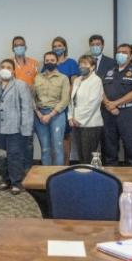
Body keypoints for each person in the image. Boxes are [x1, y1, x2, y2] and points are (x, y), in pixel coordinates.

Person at [0, 59, 33, 195]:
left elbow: (26, 108)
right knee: (2, 154)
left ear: (13, 71)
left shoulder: (20, 85)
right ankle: (6, 179)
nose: (5, 69)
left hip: (15, 127)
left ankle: (17, 182)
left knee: (14, 154)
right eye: (3, 67)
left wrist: (26, 127)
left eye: (8, 67)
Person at [101, 44, 132, 165]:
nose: (121, 54)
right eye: (119, 52)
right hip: (108, 112)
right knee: (109, 145)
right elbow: (101, 89)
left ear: (130, 56)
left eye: (124, 52)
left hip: (127, 113)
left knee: (130, 144)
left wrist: (115, 104)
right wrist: (108, 104)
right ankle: (111, 176)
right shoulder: (109, 71)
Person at [34, 52, 70, 165]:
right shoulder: (37, 77)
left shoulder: (63, 78)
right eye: (47, 60)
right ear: (44, 62)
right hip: (40, 116)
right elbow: (32, 98)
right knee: (45, 148)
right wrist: (39, 114)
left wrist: (50, 115)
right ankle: (46, 178)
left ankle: (56, 179)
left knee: (57, 148)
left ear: (57, 62)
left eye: (52, 60)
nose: (49, 62)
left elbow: (65, 100)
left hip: (56, 115)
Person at [68, 55, 104, 164]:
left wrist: (79, 119)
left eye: (85, 64)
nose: (81, 66)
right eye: (80, 64)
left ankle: (90, 179)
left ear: (92, 67)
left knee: (88, 157)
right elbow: (72, 100)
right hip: (76, 123)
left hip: (90, 124)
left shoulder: (96, 81)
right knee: (81, 156)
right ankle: (82, 178)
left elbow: (93, 104)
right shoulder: (77, 80)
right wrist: (70, 117)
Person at [12, 35, 38, 170]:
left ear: (26, 47)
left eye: (21, 45)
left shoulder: (34, 63)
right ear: (12, 48)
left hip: (28, 107)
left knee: (28, 141)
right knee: (15, 141)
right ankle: (16, 170)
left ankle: (28, 169)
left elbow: (38, 84)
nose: (19, 47)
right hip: (12, 108)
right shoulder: (8, 64)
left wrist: (31, 87)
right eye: (16, 45)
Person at [52, 36, 78, 165]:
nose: (57, 48)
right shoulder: (49, 63)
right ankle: (55, 165)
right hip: (51, 106)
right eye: (55, 46)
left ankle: (66, 164)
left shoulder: (71, 63)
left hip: (66, 103)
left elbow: (74, 82)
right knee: (53, 136)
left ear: (65, 47)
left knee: (65, 136)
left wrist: (66, 99)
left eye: (59, 45)